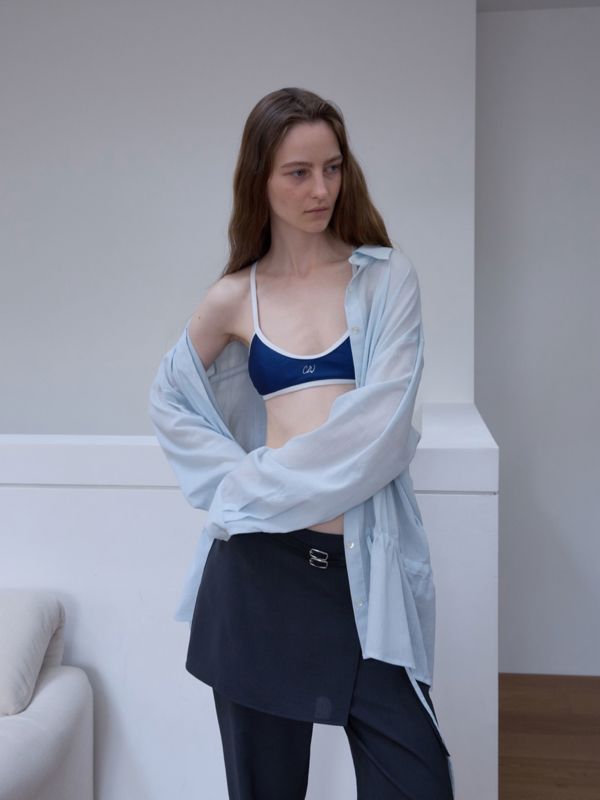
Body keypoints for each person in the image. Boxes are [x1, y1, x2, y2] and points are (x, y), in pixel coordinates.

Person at [148, 87, 455, 799]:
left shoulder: (385, 279)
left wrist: (251, 489)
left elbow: (379, 436)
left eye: (333, 168)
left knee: (417, 781)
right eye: (299, 172)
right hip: (258, 577)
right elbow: (170, 399)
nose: (321, 189)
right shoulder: (234, 296)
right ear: (260, 178)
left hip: (364, 574)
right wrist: (236, 485)